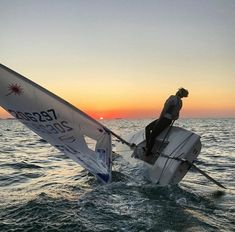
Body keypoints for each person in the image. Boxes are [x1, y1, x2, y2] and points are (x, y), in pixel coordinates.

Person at [145, 88, 189, 156]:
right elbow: (176, 116)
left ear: (178, 92)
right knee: (150, 130)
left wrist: (159, 119)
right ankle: (148, 148)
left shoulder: (172, 98)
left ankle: (148, 152)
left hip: (163, 119)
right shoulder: (180, 102)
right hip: (168, 121)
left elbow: (165, 109)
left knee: (151, 134)